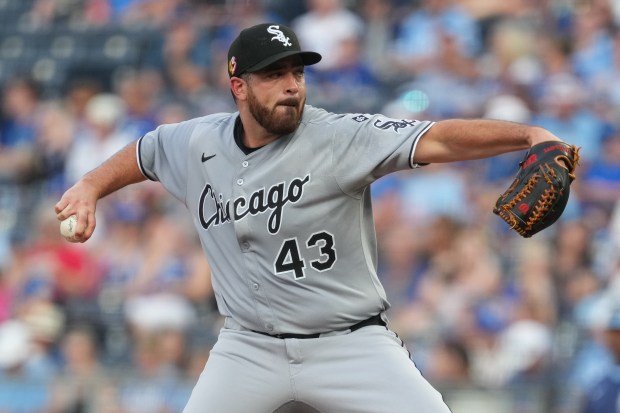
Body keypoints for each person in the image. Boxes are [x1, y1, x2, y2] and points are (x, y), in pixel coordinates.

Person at [56, 22, 571, 413]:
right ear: (238, 86)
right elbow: (145, 152)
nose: (291, 86)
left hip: (350, 343)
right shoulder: (196, 141)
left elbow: (435, 137)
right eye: (274, 74)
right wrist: (89, 186)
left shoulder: (340, 137)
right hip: (247, 348)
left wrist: (527, 135)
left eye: (297, 73)